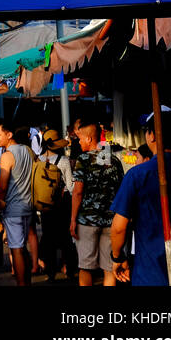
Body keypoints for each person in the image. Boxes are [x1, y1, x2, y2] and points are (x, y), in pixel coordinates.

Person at [110, 112, 171, 287]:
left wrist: (117, 256)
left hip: (150, 275)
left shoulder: (137, 176)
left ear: (152, 135)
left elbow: (119, 227)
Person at [71, 122, 125, 287]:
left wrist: (73, 219)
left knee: (86, 268)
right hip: (111, 221)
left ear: (88, 138)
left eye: (80, 138)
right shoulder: (114, 159)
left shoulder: (84, 159)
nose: (78, 142)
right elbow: (121, 189)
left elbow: (78, 192)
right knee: (109, 269)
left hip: (87, 221)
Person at [0, 121, 35, 286]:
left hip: (13, 207)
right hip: (28, 205)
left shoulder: (7, 155)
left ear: (9, 134)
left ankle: (21, 284)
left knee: (16, 248)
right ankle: (27, 282)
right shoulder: (28, 150)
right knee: (23, 247)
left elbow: (2, 186)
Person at [36, 130, 75, 282]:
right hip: (62, 203)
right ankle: (69, 269)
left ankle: (50, 271)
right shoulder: (63, 160)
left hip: (45, 204)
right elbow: (71, 186)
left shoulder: (37, 160)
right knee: (66, 237)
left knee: (49, 236)